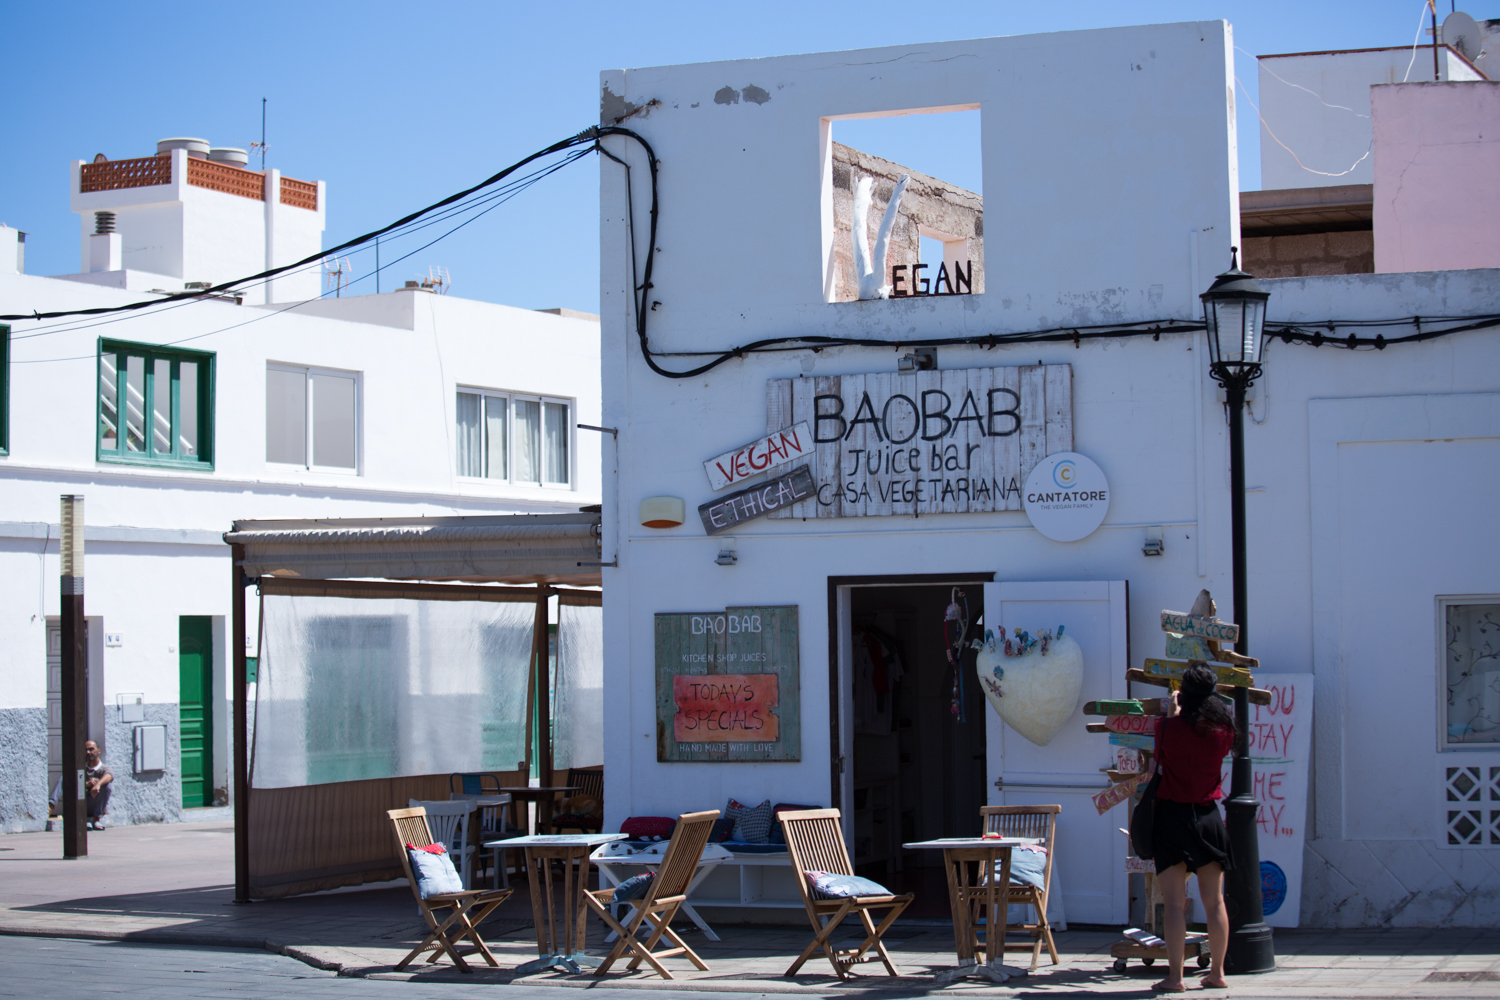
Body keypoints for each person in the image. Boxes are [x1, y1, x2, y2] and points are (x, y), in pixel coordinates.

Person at [1151, 664, 1235, 991]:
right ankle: (1217, 973)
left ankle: (1175, 977)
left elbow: (1162, 753)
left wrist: (1173, 712)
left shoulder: (1167, 728)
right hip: (1208, 816)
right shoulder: (1223, 732)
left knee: (1173, 903)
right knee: (1214, 901)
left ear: (1184, 693)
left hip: (1172, 817)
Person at [49, 740, 113, 831]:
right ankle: (50, 807)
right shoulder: (80, 768)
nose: (88, 752)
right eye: (86, 750)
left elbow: (109, 776)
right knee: (65, 778)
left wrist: (97, 784)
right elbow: (70, 784)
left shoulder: (104, 768)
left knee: (107, 786)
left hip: (95, 804)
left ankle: (96, 819)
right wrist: (87, 784)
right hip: (80, 804)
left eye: (91, 749)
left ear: (98, 751)